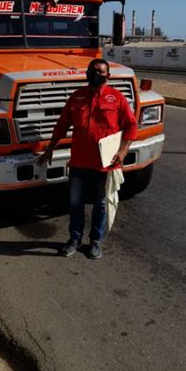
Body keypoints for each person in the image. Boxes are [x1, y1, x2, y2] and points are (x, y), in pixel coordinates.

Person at [38, 59, 137, 259]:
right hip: (79, 163)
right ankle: (74, 238)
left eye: (100, 71)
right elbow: (62, 125)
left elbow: (131, 126)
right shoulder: (77, 97)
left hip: (104, 164)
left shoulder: (117, 98)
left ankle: (95, 241)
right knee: (75, 203)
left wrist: (123, 151)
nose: (95, 73)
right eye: (92, 70)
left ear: (108, 76)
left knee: (100, 204)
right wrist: (49, 150)